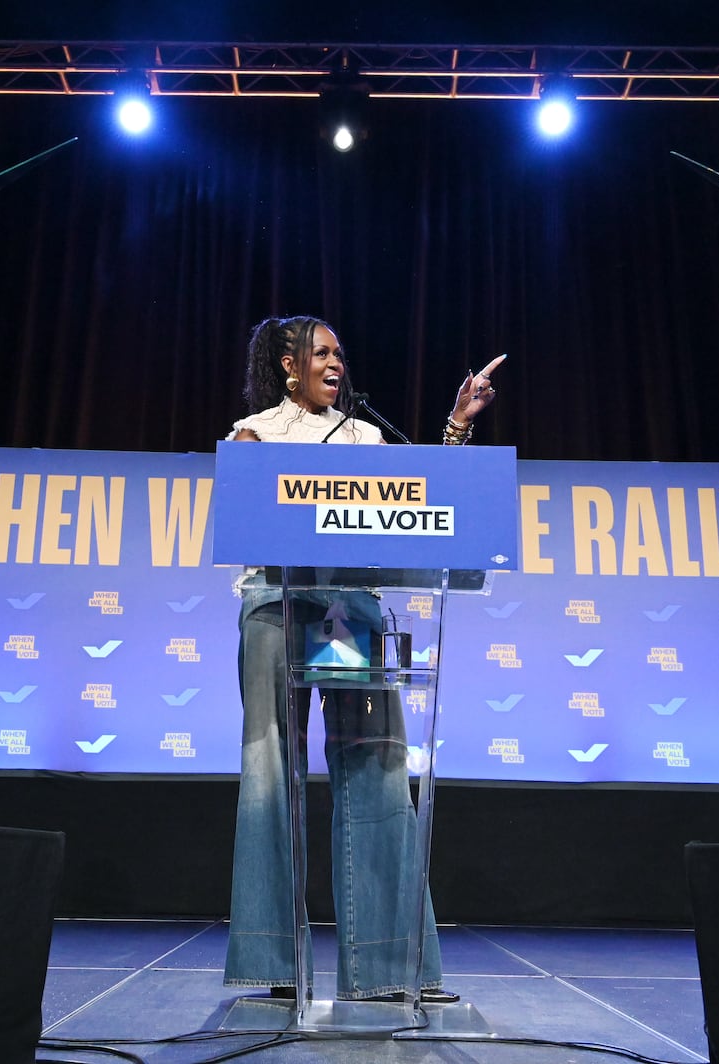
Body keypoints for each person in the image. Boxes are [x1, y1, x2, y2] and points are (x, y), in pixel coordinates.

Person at [223, 315, 502, 1003]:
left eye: (340, 352)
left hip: (353, 608)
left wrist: (456, 428)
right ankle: (274, 965)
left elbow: (425, 499)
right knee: (270, 773)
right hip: (278, 603)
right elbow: (250, 515)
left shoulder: (368, 437)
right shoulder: (255, 432)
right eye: (321, 352)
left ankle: (386, 965)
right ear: (289, 365)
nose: (335, 362)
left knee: (377, 769)